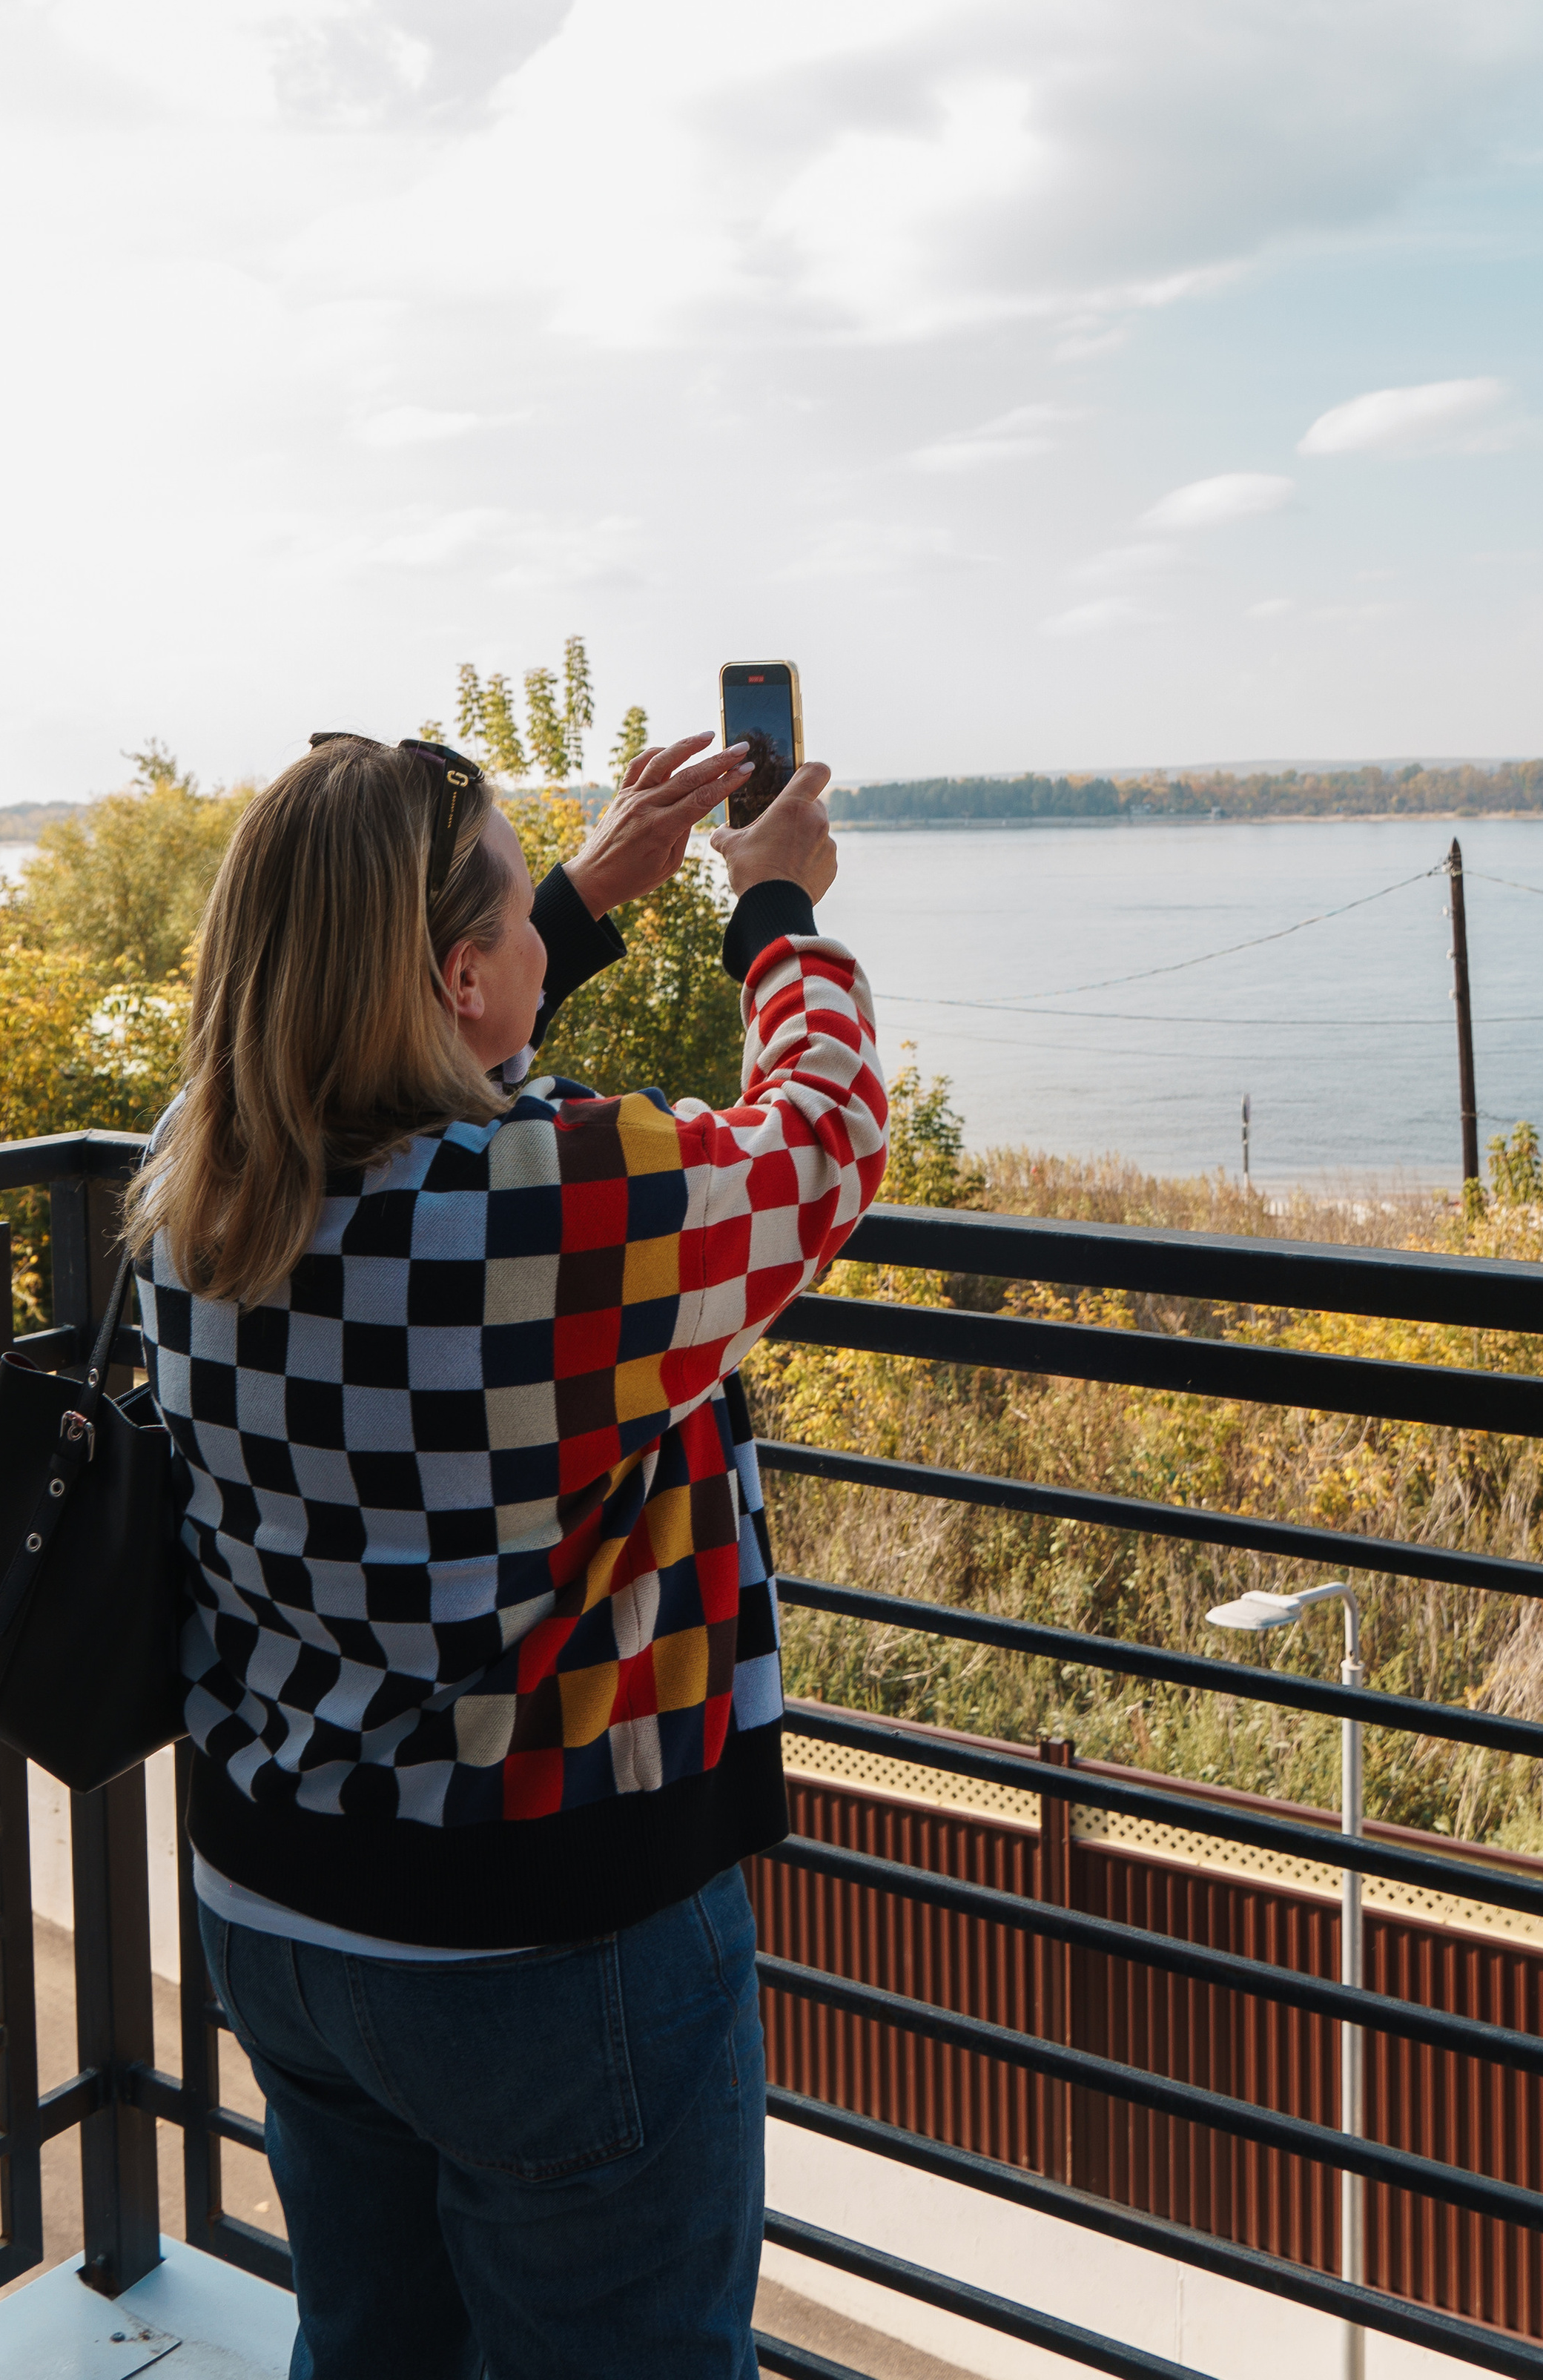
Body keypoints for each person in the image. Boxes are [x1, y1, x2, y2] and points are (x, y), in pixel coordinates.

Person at [123, 725, 888, 2380]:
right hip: (542, 1947)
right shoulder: (560, 1201)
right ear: (464, 977)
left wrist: (584, 896)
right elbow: (820, 1143)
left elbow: (403, 1050)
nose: (546, 932)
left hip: (279, 1905)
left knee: (377, 2348)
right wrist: (776, 917)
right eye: (516, 916)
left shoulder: (199, 1173)